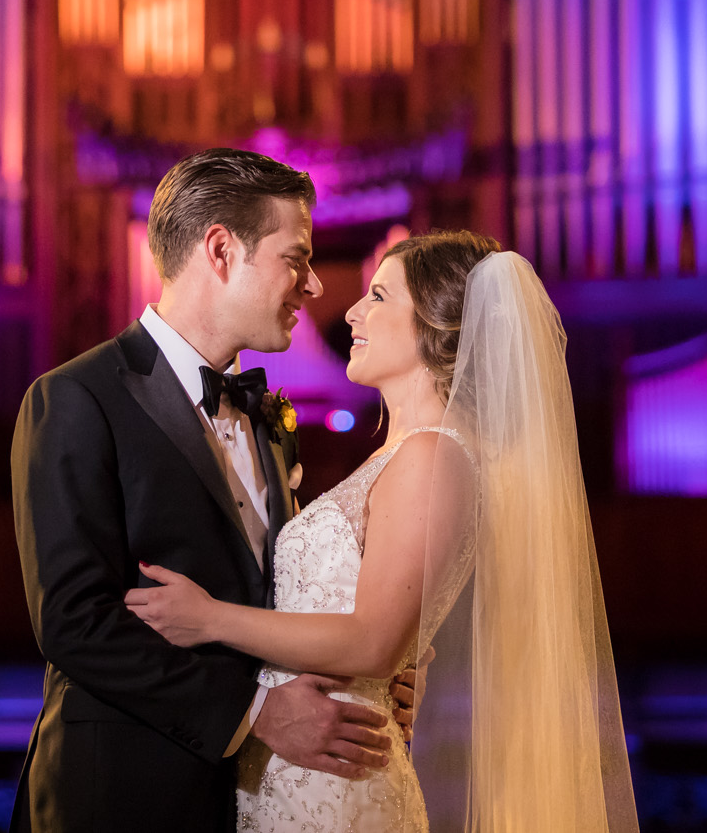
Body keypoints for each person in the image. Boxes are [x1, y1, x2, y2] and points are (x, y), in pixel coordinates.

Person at [126, 232, 639, 833]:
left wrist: (209, 618)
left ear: (437, 326)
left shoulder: (431, 455)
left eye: (377, 297)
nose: (349, 312)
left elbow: (373, 642)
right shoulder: (401, 454)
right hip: (305, 766)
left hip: (342, 781)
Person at [9, 148, 424, 832]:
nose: (315, 285)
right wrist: (255, 713)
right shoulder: (75, 398)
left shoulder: (271, 418)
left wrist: (369, 681)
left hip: (250, 802)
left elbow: (277, 597)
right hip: (115, 797)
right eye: (297, 257)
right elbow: (74, 622)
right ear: (223, 250)